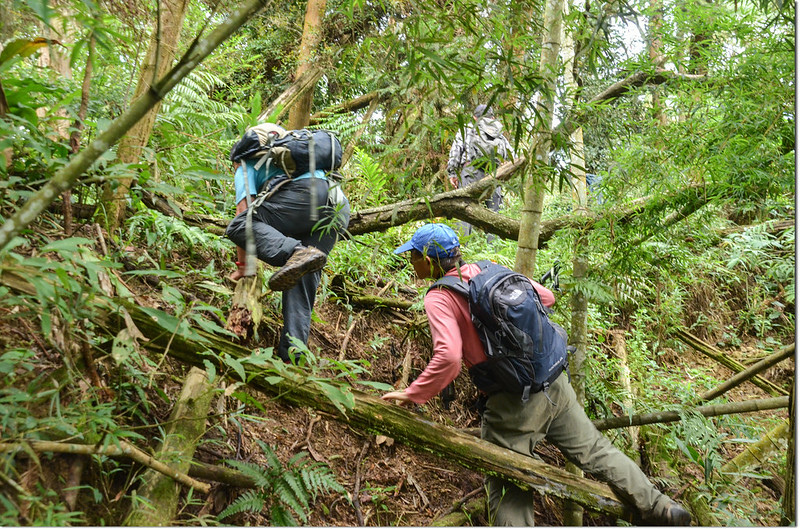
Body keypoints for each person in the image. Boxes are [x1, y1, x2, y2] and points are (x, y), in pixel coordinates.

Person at [383, 223, 692, 526]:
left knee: (508, 485)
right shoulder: (489, 269)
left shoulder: (439, 296)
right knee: (597, 450)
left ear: (428, 259)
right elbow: (546, 298)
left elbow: (449, 359)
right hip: (553, 382)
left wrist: (413, 394)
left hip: (512, 403)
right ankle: (661, 507)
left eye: (412, 256)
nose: (410, 262)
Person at [225, 123, 350, 364]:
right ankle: (293, 357)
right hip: (338, 206)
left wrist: (244, 268)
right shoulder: (292, 155)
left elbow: (243, 215)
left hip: (306, 198)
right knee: (302, 275)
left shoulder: (245, 162)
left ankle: (295, 252)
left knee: (238, 227)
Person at [446, 105, 514, 242]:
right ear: (493, 117)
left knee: (464, 211)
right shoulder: (499, 133)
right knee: (494, 215)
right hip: (494, 175)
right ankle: (494, 256)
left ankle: (461, 250)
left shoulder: (466, 129)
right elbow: (513, 156)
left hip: (470, 173)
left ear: (474, 117)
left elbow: (455, 152)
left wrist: (452, 173)